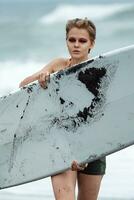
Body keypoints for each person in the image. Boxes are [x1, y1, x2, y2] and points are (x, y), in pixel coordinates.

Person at [19, 18, 106, 200]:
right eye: (71, 40)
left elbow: (103, 116)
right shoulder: (58, 65)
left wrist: (84, 151)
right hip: (60, 144)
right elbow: (23, 87)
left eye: (82, 41)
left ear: (92, 44)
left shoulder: (100, 71)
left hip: (93, 145)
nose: (76, 45)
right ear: (66, 41)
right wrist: (42, 76)